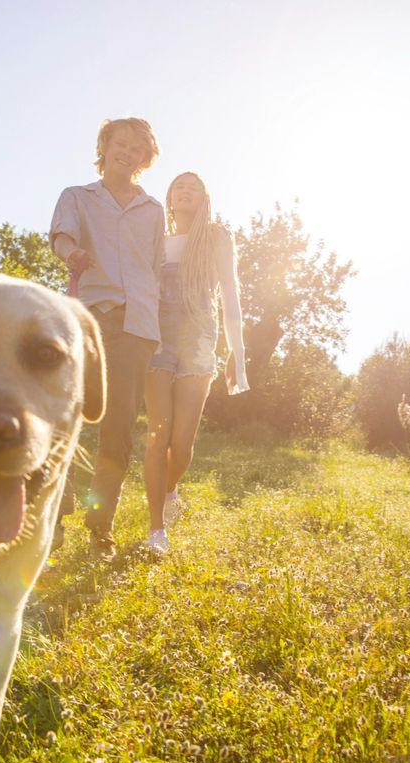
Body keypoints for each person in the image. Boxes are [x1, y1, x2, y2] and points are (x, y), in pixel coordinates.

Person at [49, 117, 165, 561]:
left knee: (118, 430)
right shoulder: (77, 197)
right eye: (121, 143)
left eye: (137, 148)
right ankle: (56, 516)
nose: (127, 152)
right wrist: (72, 253)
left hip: (137, 327)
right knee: (67, 417)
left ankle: (101, 527)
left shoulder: (153, 210)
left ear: (145, 158)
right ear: (105, 146)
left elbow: (154, 269)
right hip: (88, 319)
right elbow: (61, 237)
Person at [143, 172, 249, 555]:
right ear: (170, 198)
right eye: (178, 186)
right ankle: (156, 530)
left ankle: (171, 490)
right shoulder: (156, 239)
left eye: (193, 186)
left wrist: (238, 351)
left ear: (204, 198)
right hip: (156, 340)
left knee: (182, 445)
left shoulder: (216, 236)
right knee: (158, 438)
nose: (184, 190)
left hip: (199, 340)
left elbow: (231, 292)